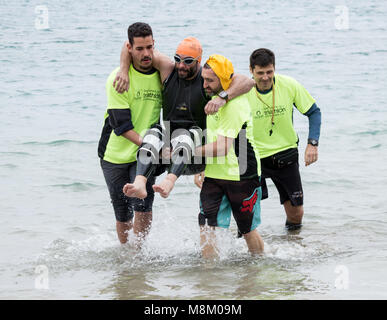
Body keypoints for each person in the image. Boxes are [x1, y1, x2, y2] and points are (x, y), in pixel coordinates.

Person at [114, 37, 254, 199]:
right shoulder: (167, 69)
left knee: (185, 135)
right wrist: (123, 70)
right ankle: (140, 182)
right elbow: (130, 46)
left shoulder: (206, 80)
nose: (181, 65)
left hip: (194, 155)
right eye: (178, 59)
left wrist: (222, 97)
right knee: (152, 133)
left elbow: (247, 82)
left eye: (188, 61)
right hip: (168, 152)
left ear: (198, 61)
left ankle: (169, 181)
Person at [98, 22, 162, 245]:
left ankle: (139, 253)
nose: (145, 54)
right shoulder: (118, 78)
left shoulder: (160, 74)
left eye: (149, 47)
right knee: (122, 212)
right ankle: (126, 253)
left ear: (154, 44)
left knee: (143, 205)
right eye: (139, 49)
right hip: (114, 153)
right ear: (129, 48)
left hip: (144, 153)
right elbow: (121, 125)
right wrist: (148, 145)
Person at [195, 54, 264, 259]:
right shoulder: (212, 97)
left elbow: (224, 147)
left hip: (242, 172)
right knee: (206, 226)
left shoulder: (235, 105)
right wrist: (202, 167)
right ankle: (209, 274)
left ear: (224, 80)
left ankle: (259, 266)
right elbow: (213, 136)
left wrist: (188, 152)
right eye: (204, 79)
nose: (205, 84)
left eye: (210, 80)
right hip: (215, 174)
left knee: (247, 228)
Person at [246, 48, 322, 231]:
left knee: (296, 213)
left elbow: (314, 112)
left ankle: (292, 245)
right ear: (251, 71)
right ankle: (250, 253)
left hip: (285, 154)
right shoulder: (243, 91)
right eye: (260, 73)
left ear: (274, 68)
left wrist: (312, 143)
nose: (265, 77)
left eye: (269, 72)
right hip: (254, 156)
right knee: (248, 210)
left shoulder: (289, 85)